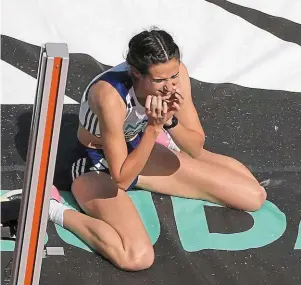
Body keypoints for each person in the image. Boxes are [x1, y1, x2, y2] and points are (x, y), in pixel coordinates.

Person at [49, 28, 267, 271]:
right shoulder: (109, 95)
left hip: (140, 148)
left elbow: (195, 147)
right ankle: (54, 208)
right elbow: (121, 178)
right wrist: (153, 128)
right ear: (135, 74)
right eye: (160, 80)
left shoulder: (177, 75)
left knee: (254, 197)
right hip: (97, 165)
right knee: (136, 257)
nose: (169, 87)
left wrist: (170, 122)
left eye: (173, 76)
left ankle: (169, 145)